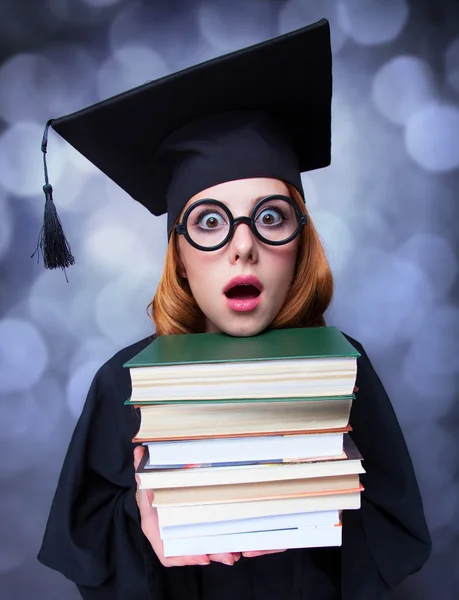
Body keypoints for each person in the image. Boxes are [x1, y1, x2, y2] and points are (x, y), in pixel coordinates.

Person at [37, 19, 431, 600]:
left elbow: (393, 539)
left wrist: (324, 491)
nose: (243, 246)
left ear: (301, 243)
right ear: (178, 252)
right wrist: (141, 516)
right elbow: (87, 541)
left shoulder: (344, 373)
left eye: (270, 217)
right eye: (209, 222)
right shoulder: (123, 385)